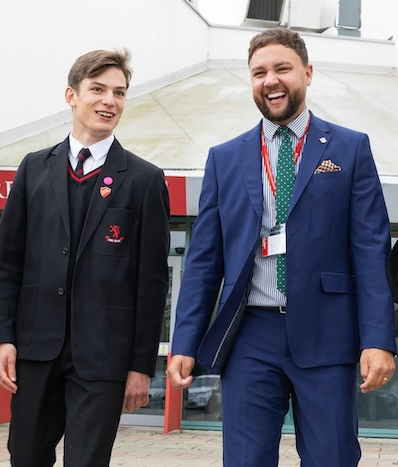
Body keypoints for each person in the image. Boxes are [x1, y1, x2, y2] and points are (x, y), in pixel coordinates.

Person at [166, 28, 396, 467]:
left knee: (333, 458)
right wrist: (184, 341)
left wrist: (379, 339)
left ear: (307, 74)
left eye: (282, 69)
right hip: (251, 333)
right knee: (246, 460)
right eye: (259, 72)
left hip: (329, 333)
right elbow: (203, 262)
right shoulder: (224, 158)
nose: (270, 80)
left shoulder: (350, 148)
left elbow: (371, 252)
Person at [0, 49, 170, 467]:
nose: (110, 101)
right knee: (25, 457)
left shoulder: (144, 180)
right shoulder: (33, 169)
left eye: (119, 93)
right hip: (35, 348)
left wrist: (141, 367)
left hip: (103, 355)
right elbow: (7, 263)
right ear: (71, 95)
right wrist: (1, 338)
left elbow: (152, 282)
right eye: (98, 89)